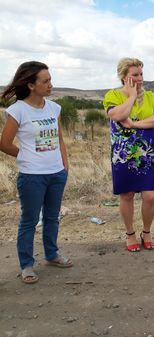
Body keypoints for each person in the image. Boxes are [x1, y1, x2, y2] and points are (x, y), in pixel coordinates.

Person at [0, 61, 72, 284]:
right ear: (31, 85)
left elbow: (59, 139)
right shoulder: (18, 110)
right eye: (46, 81)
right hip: (32, 176)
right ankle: (27, 265)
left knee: (52, 217)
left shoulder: (54, 108)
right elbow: (4, 143)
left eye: (50, 79)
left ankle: (51, 255)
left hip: (56, 173)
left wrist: (64, 165)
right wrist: (25, 157)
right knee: (29, 220)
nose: (51, 84)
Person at [103, 58, 154, 252]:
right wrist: (130, 97)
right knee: (127, 194)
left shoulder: (151, 96)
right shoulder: (112, 95)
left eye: (141, 74)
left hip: (147, 155)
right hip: (123, 155)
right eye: (135, 75)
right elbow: (117, 116)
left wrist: (134, 124)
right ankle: (130, 233)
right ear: (124, 77)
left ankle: (146, 232)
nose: (140, 79)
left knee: (150, 196)